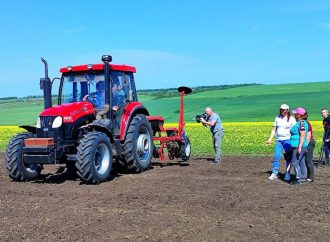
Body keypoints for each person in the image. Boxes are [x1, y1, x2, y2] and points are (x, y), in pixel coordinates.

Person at [266, 104, 296, 180]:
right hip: (279, 140)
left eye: (285, 109)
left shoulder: (291, 119)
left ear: (287, 110)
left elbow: (295, 130)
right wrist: (270, 139)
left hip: (288, 140)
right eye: (282, 109)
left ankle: (287, 173)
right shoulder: (277, 118)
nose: (283, 111)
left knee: (288, 158)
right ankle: (274, 173)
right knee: (276, 156)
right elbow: (274, 130)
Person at [290, 107, 309, 185]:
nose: (294, 114)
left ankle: (299, 178)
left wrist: (300, 147)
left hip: (298, 146)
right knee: (301, 162)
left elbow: (303, 135)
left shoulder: (301, 123)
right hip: (300, 145)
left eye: (296, 113)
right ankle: (303, 177)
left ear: (299, 115)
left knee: (294, 162)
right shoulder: (300, 122)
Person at [305, 114, 315, 182]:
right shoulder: (303, 123)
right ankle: (307, 175)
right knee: (306, 160)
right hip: (306, 142)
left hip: (309, 143)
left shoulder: (306, 123)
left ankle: (311, 177)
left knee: (308, 160)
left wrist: (305, 146)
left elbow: (308, 136)